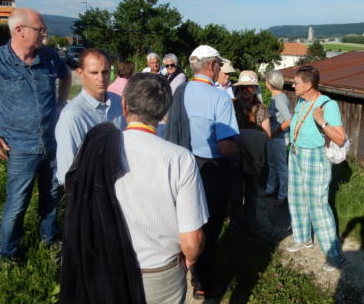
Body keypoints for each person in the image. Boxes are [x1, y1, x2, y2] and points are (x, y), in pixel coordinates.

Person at [0, 7, 71, 259]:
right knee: (18, 204)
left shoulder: (50, 56)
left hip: (51, 143)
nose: (45, 33)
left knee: (51, 196)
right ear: (19, 31)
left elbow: (66, 77)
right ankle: (7, 255)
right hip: (19, 147)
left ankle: (49, 241)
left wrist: (62, 102)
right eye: (40, 29)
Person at [116, 73, 208, 303]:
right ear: (165, 111)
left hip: (111, 263)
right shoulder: (180, 159)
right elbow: (192, 240)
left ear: (124, 105)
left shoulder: (102, 150)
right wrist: (190, 260)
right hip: (160, 271)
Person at [165, 45, 239, 300]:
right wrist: (240, 152)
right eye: (219, 63)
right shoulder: (219, 97)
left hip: (182, 163)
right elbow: (224, 144)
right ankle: (203, 283)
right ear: (211, 66)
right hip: (211, 169)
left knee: (186, 219)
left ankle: (183, 269)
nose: (220, 68)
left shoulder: (180, 92)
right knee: (209, 227)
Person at [287, 65, 347, 272]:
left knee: (318, 206)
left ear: (309, 84)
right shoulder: (302, 101)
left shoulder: (327, 105)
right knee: (296, 198)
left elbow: (340, 138)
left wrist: (321, 121)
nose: (293, 85)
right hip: (295, 153)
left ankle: (334, 255)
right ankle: (303, 238)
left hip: (314, 157)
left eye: (296, 83)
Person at [55, 48, 125, 185]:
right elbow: (67, 173)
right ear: (80, 73)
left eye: (105, 72)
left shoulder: (118, 102)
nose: (101, 78)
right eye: (94, 73)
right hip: (93, 192)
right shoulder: (73, 115)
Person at [230, 70, 271, 236]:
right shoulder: (231, 105)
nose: (246, 92)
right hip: (236, 155)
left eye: (250, 89)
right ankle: (235, 227)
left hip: (253, 158)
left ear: (255, 89)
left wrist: (250, 139)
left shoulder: (261, 108)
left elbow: (267, 134)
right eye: (243, 88)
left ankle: (251, 225)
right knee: (235, 193)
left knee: (252, 193)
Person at [262, 70, 292, 207]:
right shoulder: (276, 97)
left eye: (266, 80)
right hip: (273, 137)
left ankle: (282, 196)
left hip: (279, 138)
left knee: (281, 167)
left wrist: (274, 132)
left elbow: (289, 120)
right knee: (272, 164)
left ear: (269, 83)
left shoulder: (279, 99)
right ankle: (270, 189)